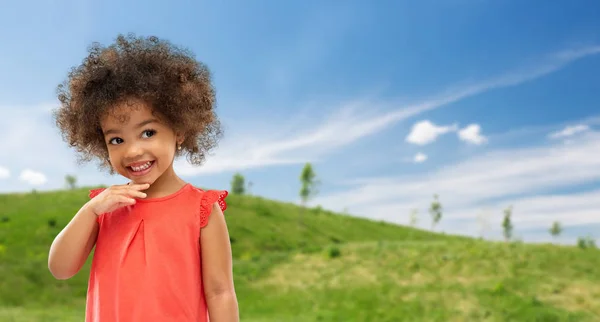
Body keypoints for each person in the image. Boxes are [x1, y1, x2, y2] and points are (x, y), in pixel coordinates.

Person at [48, 34, 239, 322]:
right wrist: (91, 210)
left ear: (179, 131)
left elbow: (220, 291)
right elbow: (60, 268)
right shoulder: (105, 208)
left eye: (148, 132)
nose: (133, 151)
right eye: (116, 140)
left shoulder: (202, 208)